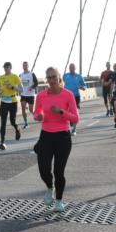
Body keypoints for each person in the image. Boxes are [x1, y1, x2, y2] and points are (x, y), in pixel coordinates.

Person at [32, 67, 79, 211]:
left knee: (59, 172)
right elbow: (36, 112)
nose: (51, 80)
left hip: (62, 137)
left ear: (59, 78)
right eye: (49, 77)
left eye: (54, 77)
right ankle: (49, 187)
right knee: (43, 169)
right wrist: (38, 116)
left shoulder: (68, 95)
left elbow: (75, 118)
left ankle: (59, 201)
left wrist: (60, 112)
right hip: (46, 135)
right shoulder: (41, 95)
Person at [0, 61, 22, 150]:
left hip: (13, 101)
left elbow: (21, 89)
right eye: (4, 67)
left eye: (7, 67)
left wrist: (12, 87)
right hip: (4, 101)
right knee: (3, 122)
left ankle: (17, 129)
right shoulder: (0, 78)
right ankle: (2, 142)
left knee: (12, 121)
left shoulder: (15, 77)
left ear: (10, 68)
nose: (6, 69)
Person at [61, 63, 87, 136]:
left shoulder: (79, 76)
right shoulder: (65, 76)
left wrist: (82, 87)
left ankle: (74, 130)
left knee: (74, 112)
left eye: (72, 67)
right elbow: (61, 83)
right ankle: (71, 120)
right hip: (66, 96)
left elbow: (85, 86)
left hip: (76, 96)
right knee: (66, 112)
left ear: (75, 68)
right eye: (70, 67)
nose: (71, 69)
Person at [18, 61, 39, 129]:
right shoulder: (20, 75)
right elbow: (18, 84)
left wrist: (31, 87)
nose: (25, 67)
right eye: (24, 65)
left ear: (28, 66)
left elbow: (36, 83)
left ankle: (37, 115)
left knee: (31, 110)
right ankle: (26, 123)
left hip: (30, 95)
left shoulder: (32, 74)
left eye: (26, 65)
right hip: (23, 94)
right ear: (22, 66)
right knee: (23, 108)